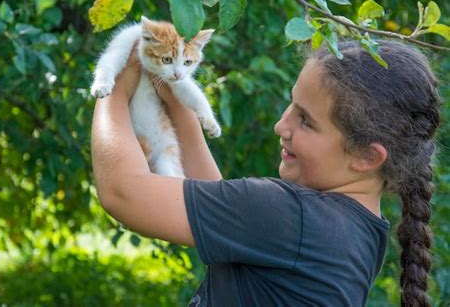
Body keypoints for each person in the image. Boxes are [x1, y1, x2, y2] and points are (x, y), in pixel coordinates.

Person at [91, 40, 440, 306]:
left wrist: (115, 80)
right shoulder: (352, 231)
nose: (281, 125)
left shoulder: (292, 218)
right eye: (291, 105)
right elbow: (224, 211)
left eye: (305, 120)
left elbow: (123, 192)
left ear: (366, 156)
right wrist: (169, 85)